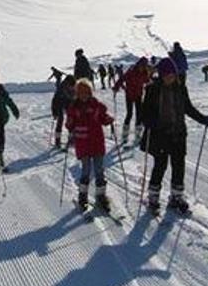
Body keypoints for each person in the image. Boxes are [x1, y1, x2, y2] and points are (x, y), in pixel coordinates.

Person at [140, 58, 208, 215]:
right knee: (160, 166)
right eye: (166, 75)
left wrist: (202, 119)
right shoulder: (152, 89)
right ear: (161, 74)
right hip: (160, 135)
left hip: (178, 134)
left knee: (179, 166)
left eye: (172, 75)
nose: (169, 78)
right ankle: (153, 198)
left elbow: (188, 108)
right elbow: (144, 113)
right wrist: (150, 122)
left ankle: (176, 197)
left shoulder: (181, 88)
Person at [65, 78, 114, 211]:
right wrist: (69, 124)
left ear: (90, 92)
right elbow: (69, 123)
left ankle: (101, 196)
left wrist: (108, 119)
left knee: (99, 171)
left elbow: (103, 118)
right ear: (77, 93)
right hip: (83, 144)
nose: (84, 95)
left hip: (97, 142)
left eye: (86, 92)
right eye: (81, 92)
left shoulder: (96, 105)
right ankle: (82, 196)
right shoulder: (74, 108)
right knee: (85, 171)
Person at [113, 57, 149, 145]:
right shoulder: (131, 71)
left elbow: (147, 81)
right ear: (139, 64)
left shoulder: (144, 73)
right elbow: (122, 78)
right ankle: (125, 136)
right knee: (129, 114)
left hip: (138, 95)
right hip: (129, 95)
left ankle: (138, 135)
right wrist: (116, 87)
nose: (142, 68)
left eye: (144, 66)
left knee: (139, 115)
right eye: (142, 66)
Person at [51, 74, 76, 150]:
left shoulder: (72, 88)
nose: (72, 87)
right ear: (68, 83)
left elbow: (74, 98)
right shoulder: (61, 89)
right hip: (59, 105)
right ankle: (57, 141)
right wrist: (54, 113)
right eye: (71, 86)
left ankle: (71, 139)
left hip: (68, 105)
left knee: (71, 121)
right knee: (60, 121)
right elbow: (54, 101)